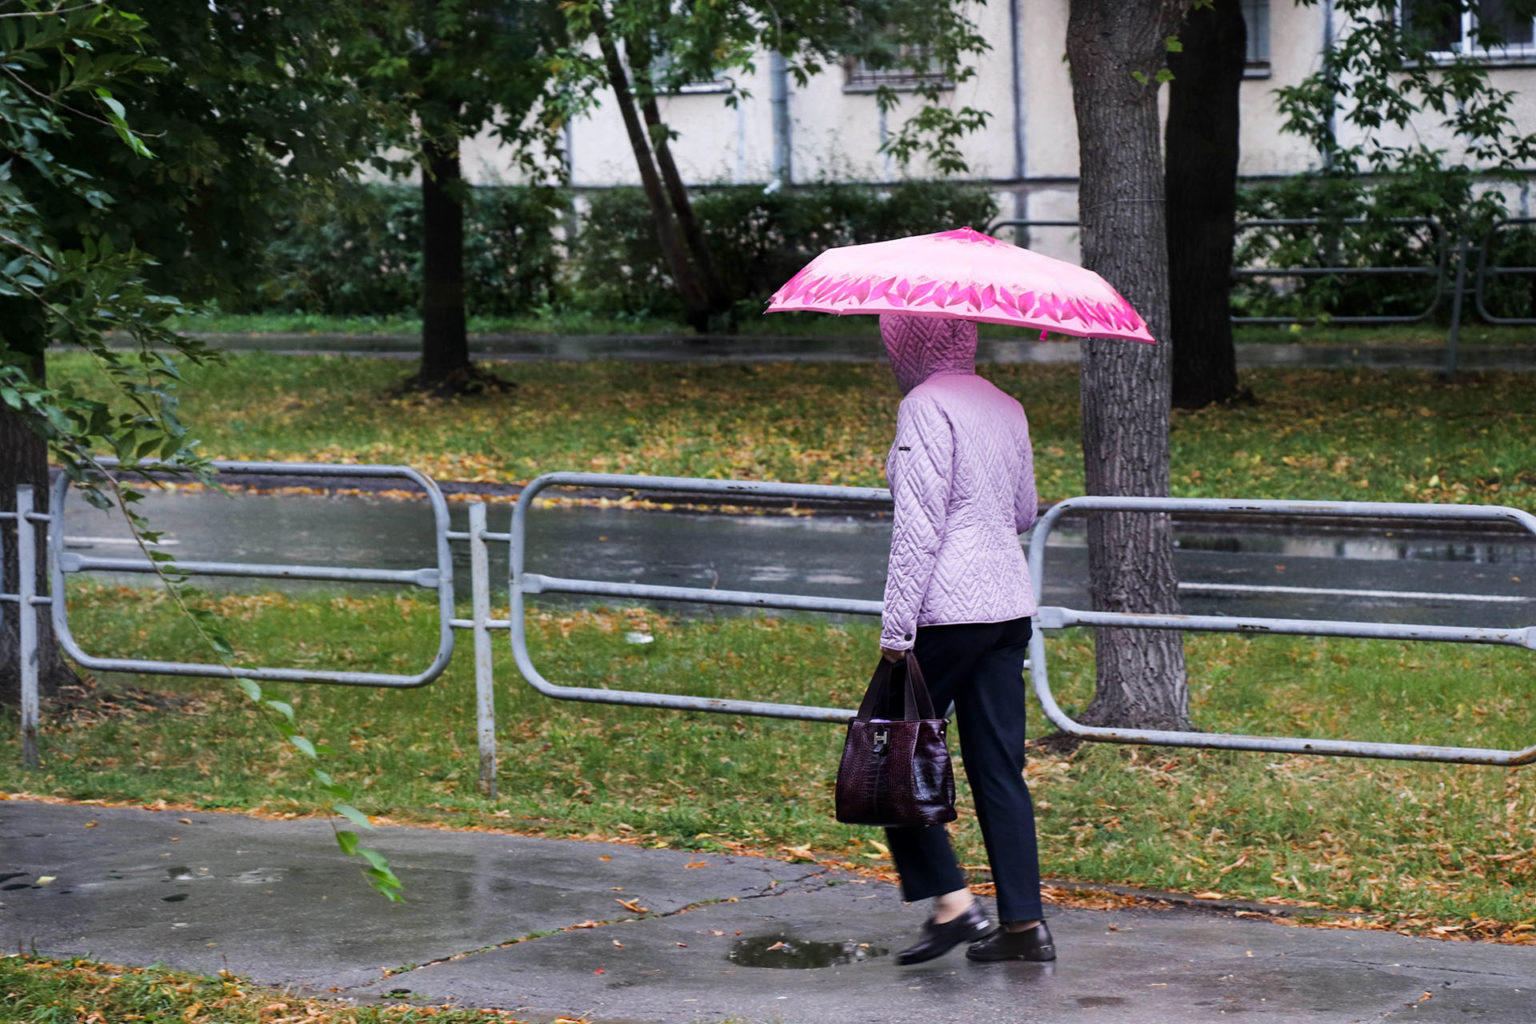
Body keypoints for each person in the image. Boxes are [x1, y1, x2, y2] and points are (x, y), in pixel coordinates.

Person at [875, 312, 1053, 966]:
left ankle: (952, 905)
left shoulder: (923, 406)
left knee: (889, 753)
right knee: (999, 767)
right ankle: (1023, 929)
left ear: (908, 341)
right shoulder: (1005, 404)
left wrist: (898, 629)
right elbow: (1023, 511)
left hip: (947, 612)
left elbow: (918, 526)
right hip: (1007, 608)